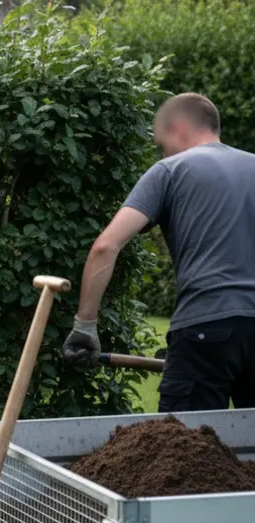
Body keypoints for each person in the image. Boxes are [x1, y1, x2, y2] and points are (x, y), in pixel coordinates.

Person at [63, 93, 255, 411]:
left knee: (184, 452)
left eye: (161, 143)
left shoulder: (169, 170)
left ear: (178, 128)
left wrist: (84, 327)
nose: (162, 152)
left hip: (204, 325)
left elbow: (105, 246)